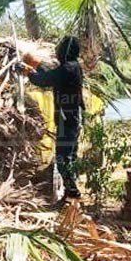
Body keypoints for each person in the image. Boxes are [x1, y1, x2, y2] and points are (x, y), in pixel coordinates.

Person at [20, 36, 85, 209]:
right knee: (69, 158)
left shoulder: (68, 69)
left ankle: (73, 195)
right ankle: (70, 196)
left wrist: (29, 72)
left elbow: (45, 80)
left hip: (68, 120)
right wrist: (37, 66)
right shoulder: (73, 67)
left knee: (63, 159)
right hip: (72, 118)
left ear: (65, 51)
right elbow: (52, 76)